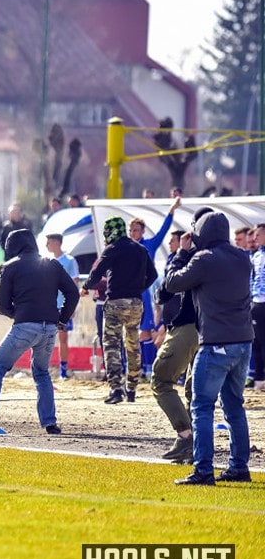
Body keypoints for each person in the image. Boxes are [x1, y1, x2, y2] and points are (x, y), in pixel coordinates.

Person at [163, 211, 253, 485]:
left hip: (216, 342)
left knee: (202, 407)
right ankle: (239, 467)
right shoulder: (242, 257)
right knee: (234, 406)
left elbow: (172, 283)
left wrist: (182, 252)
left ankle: (203, 469)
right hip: (243, 341)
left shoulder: (204, 259)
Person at [0, 229, 79, 435]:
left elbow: (1, 301)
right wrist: (61, 319)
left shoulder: (11, 266)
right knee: (42, 373)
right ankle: (49, 422)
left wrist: (14, 313)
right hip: (49, 328)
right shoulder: (52, 264)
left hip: (24, 326)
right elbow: (72, 293)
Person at [81, 216, 157, 404]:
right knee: (133, 345)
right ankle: (131, 389)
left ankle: (116, 389)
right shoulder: (140, 249)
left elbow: (96, 273)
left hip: (115, 302)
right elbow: (153, 274)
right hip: (136, 303)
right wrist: (138, 289)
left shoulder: (112, 249)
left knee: (112, 345)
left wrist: (85, 286)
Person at [152, 228, 199, 463]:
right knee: (195, 391)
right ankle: (198, 445)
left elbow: (166, 290)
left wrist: (181, 254)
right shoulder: (223, 256)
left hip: (187, 327)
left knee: (161, 380)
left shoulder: (187, 258)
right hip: (212, 330)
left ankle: (185, 436)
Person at [129, 196, 179, 377]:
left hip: (146, 294)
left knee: (147, 331)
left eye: (136, 230)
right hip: (129, 294)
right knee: (134, 333)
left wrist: (171, 210)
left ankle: (149, 369)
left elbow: (163, 231)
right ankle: (139, 369)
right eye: (131, 230)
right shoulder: (125, 247)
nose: (133, 233)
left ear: (142, 232)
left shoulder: (149, 245)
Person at [45, 233, 80, 379]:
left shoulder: (70, 261)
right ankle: (43, 368)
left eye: (49, 242)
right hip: (48, 306)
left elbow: (75, 283)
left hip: (63, 306)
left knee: (62, 338)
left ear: (57, 243)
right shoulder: (45, 261)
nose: (47, 245)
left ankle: (63, 370)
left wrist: (72, 307)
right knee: (45, 338)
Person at [250, 223, 265, 392]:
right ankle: (259, 378)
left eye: (258, 235)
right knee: (257, 342)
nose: (255, 238)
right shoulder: (255, 256)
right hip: (257, 303)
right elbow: (252, 279)